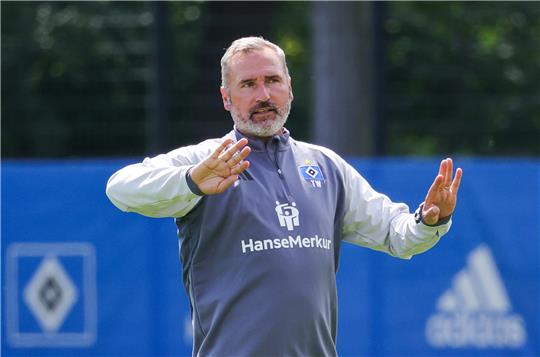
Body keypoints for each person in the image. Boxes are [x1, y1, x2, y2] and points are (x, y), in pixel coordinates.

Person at [106, 36, 463, 356]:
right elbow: (120, 188)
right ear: (226, 97)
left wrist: (430, 220)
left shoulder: (325, 165)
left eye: (272, 81)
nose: (263, 95)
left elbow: (395, 234)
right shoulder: (208, 160)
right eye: (248, 84)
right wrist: (191, 181)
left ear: (289, 88)